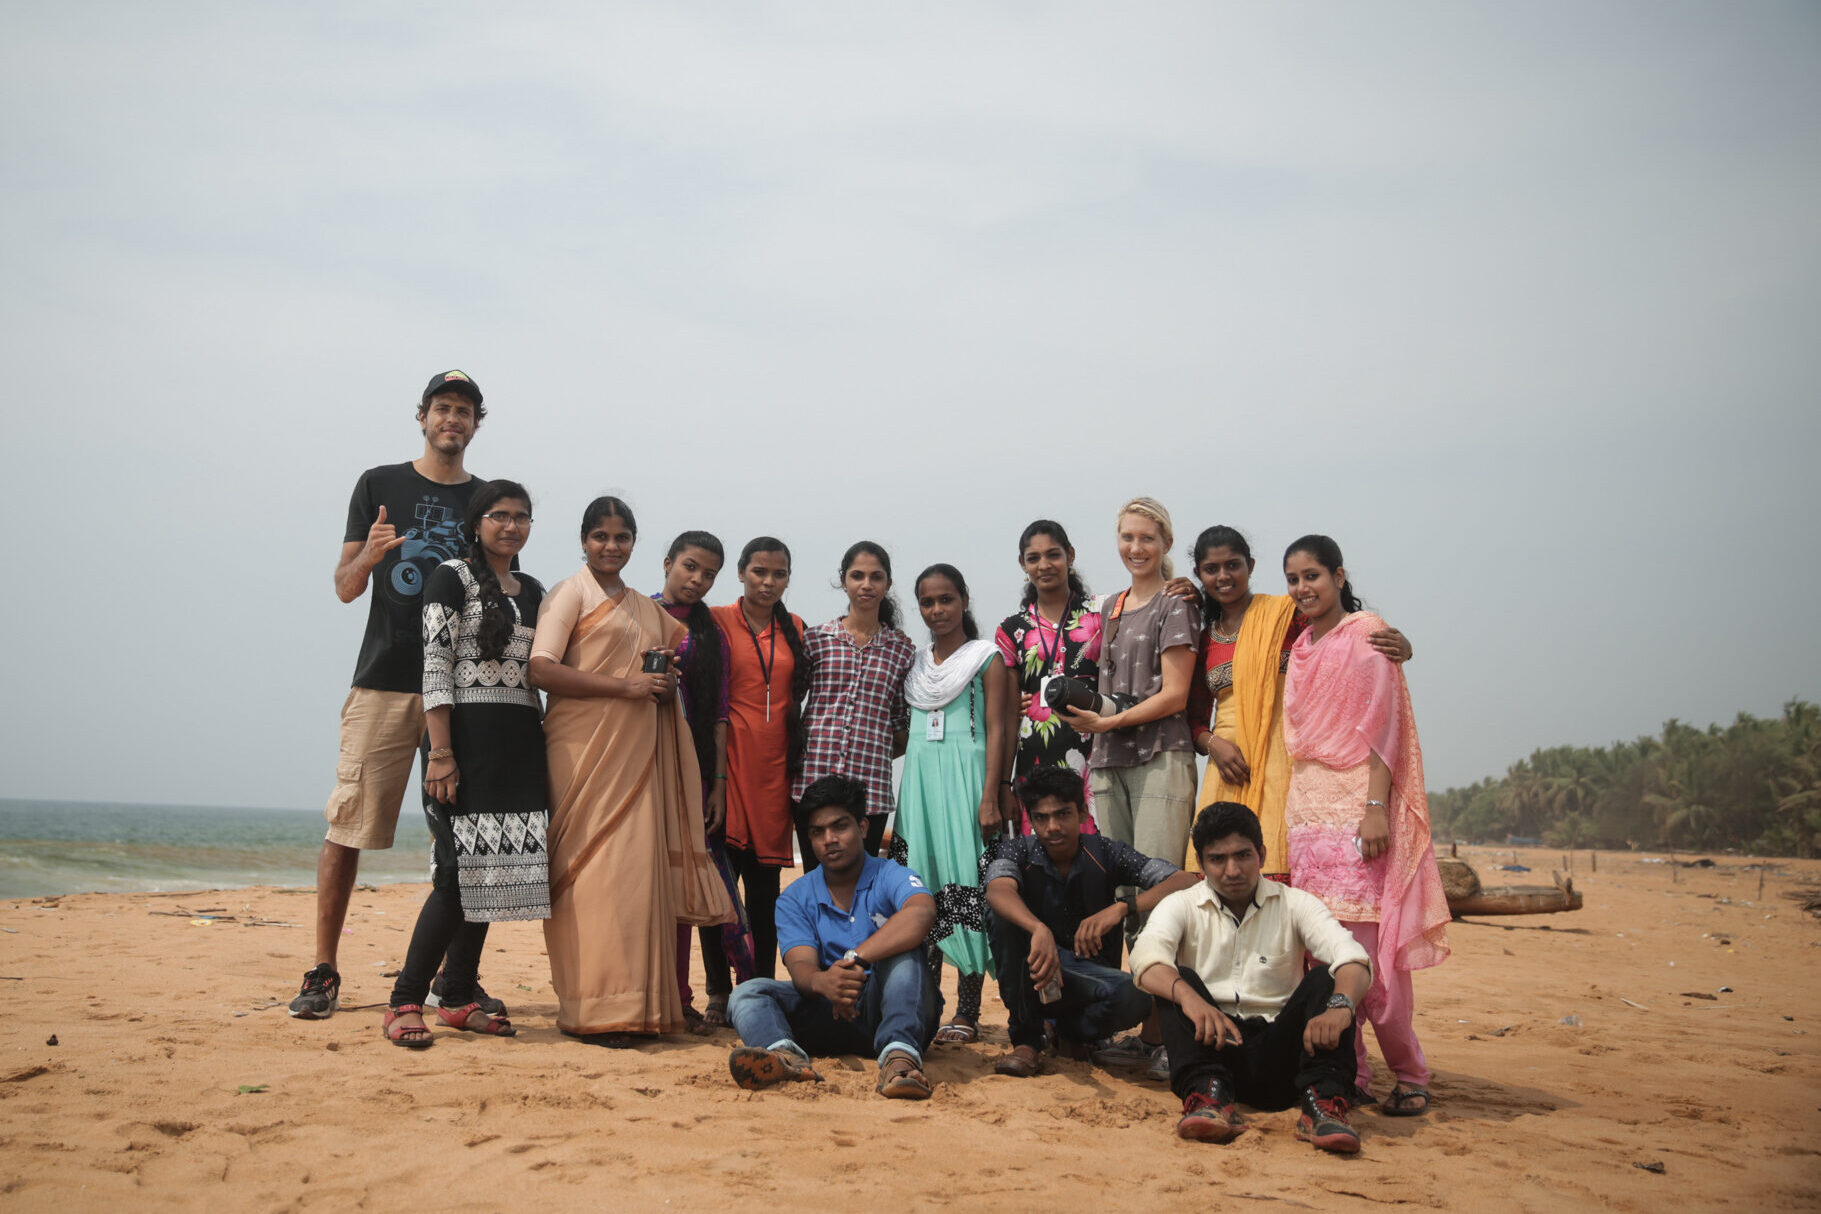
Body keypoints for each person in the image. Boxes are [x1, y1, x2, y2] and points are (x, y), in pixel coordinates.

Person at [290, 369, 501, 1021]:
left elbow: (494, 595)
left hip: (459, 690)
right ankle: (324, 971)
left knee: (465, 836)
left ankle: (452, 978)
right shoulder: (379, 485)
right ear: (422, 416)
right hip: (383, 679)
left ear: (476, 423)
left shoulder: (487, 498)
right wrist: (372, 554)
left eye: (464, 410)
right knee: (349, 825)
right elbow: (344, 586)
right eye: (442, 408)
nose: (452, 420)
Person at [528, 497, 734, 1044]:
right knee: (585, 880)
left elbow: (665, 672)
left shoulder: (647, 609)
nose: (611, 546)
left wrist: (661, 688)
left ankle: (637, 1009)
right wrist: (627, 687)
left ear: (634, 545)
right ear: (583, 540)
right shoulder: (568, 593)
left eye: (621, 538)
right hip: (579, 754)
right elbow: (541, 669)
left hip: (638, 757)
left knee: (633, 882)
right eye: (600, 536)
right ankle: (588, 1010)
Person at [1281, 535, 1450, 1115]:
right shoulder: (1301, 646)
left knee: (1373, 960)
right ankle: (1349, 1075)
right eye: (1294, 579)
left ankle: (1410, 1074)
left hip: (1357, 811)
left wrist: (1376, 807)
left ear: (1338, 575)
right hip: (1305, 815)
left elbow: (1384, 726)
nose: (1304, 588)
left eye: (1313, 576)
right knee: (1323, 957)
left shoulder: (1368, 634)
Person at [385, 481, 549, 1046]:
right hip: (463, 743)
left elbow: (546, 669)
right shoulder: (448, 577)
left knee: (496, 872)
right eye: (499, 516)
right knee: (457, 875)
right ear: (478, 522)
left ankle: (456, 995)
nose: (511, 526)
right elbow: (434, 666)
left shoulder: (533, 590)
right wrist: (442, 753)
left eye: (521, 517)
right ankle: (406, 998)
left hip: (523, 741)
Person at [1131, 802, 1373, 1153]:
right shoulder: (1180, 904)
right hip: (1212, 1048)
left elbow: (1353, 957)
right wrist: (1191, 999)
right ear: (1200, 864)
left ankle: (1323, 1105)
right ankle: (1208, 1101)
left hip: (1284, 1057)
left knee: (1326, 982)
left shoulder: (1297, 904)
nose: (1232, 870)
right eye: (1217, 859)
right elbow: (1144, 958)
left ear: (1261, 853)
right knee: (1175, 980)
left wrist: (1341, 1007)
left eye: (1243, 855)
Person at [1184, 525, 1413, 877]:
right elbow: (1193, 719)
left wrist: (1401, 646)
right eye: (1211, 569)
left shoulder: (1288, 618)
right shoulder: (1204, 640)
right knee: (1219, 873)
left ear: (1251, 566)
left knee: (1280, 869)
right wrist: (1213, 744)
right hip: (1228, 768)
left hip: (1285, 765)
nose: (1223, 576)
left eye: (1233, 565)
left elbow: (1342, 634)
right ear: (1199, 574)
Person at [724, 775, 942, 1100]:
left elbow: (921, 913)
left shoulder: (890, 873)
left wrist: (857, 959)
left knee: (904, 956)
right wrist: (824, 983)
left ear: (863, 828)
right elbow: (801, 967)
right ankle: (785, 1057)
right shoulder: (795, 897)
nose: (830, 839)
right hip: (831, 1010)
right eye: (817, 832)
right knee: (747, 993)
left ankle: (900, 1061)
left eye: (840, 826)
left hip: (894, 1007)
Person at [983, 766, 1201, 1078]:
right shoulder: (1018, 850)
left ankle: (1072, 1035)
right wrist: (1037, 929)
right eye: (1041, 818)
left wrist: (1123, 907)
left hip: (1089, 979)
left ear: (1083, 811)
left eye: (1063, 814)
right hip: (1031, 974)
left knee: (1136, 994)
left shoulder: (1107, 852)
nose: (1053, 827)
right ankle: (1027, 1040)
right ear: (1030, 819)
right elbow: (997, 890)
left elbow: (1184, 881)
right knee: (1000, 915)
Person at [894, 563, 1010, 1045]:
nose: (937, 610)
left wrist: (990, 796)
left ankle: (967, 1012)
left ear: (964, 599)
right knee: (922, 884)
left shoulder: (986, 659)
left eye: (946, 599)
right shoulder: (917, 666)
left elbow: (1000, 729)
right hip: (920, 786)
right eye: (927, 602)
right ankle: (925, 1007)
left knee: (967, 886)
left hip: (966, 784)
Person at [654, 531, 756, 1032]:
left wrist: (717, 781)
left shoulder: (711, 630)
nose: (697, 580)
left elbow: (718, 712)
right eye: (690, 567)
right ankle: (668, 997)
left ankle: (726, 990)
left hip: (694, 772)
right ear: (668, 562)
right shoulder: (639, 613)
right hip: (645, 766)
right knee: (654, 884)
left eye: (708, 574)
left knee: (701, 882)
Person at [1063, 498, 1200, 867]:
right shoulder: (1111, 607)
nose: (1136, 549)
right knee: (1119, 886)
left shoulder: (1176, 602)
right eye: (1127, 538)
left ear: (1166, 543)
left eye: (1147, 538)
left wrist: (1108, 723)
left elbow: (1175, 695)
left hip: (1159, 752)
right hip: (1109, 757)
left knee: (1157, 876)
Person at [709, 538, 810, 995]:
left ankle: (761, 987)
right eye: (759, 572)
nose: (768, 582)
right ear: (741, 573)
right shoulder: (716, 621)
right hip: (726, 774)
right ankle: (717, 991)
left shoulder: (799, 629)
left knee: (765, 897)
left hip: (775, 780)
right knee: (719, 896)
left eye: (779, 574)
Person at [792, 541, 916, 862]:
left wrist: (872, 749)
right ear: (843, 580)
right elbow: (790, 707)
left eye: (876, 577)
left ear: (887, 584)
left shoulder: (901, 650)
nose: (866, 584)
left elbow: (902, 727)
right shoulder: (816, 640)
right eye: (857, 575)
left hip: (870, 791)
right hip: (812, 783)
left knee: (862, 888)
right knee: (815, 880)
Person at [993, 520, 1103, 836]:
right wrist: (1004, 783)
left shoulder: (1101, 614)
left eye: (1053, 555)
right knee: (1039, 860)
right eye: (1033, 558)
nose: (1044, 565)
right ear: (1022, 564)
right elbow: (1009, 716)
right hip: (1034, 759)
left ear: (1070, 554)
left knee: (1095, 857)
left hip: (1092, 756)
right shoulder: (1011, 629)